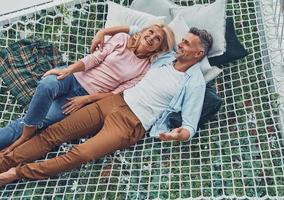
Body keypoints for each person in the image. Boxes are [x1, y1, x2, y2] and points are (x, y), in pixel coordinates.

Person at [0, 27, 213, 185]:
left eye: (186, 44)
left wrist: (177, 135)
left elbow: (189, 126)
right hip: (112, 101)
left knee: (82, 153)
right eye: (182, 40)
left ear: (198, 54)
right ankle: (4, 162)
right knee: (53, 133)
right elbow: (142, 31)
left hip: (131, 123)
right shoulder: (166, 56)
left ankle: (16, 173)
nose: (181, 45)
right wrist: (104, 32)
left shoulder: (194, 83)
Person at [0, 23, 175, 152]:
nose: (151, 38)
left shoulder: (144, 69)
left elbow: (115, 94)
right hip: (74, 76)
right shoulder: (122, 39)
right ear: (143, 31)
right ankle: (25, 136)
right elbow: (95, 58)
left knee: (40, 120)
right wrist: (69, 69)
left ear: (158, 48)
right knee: (47, 84)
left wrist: (86, 100)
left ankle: (23, 132)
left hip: (86, 96)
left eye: (157, 39)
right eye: (151, 32)